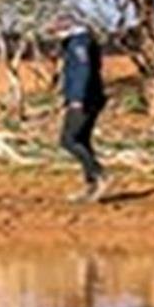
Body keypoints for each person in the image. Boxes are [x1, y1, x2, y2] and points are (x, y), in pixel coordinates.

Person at [53, 15, 110, 202]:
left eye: (57, 30)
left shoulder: (79, 44)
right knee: (82, 141)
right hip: (88, 97)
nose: (55, 34)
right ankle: (91, 185)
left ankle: (100, 174)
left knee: (68, 139)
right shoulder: (79, 42)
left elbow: (82, 71)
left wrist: (77, 98)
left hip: (85, 100)